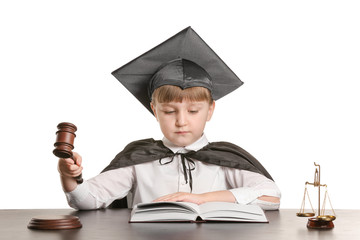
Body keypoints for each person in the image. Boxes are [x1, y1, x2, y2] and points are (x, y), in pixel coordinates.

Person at [58, 27, 281, 211]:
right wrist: (68, 176)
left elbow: (272, 196)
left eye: (193, 111)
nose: (182, 121)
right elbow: (87, 201)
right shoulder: (138, 158)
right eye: (169, 111)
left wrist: (204, 198)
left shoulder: (225, 159)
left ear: (210, 110)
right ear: (154, 110)